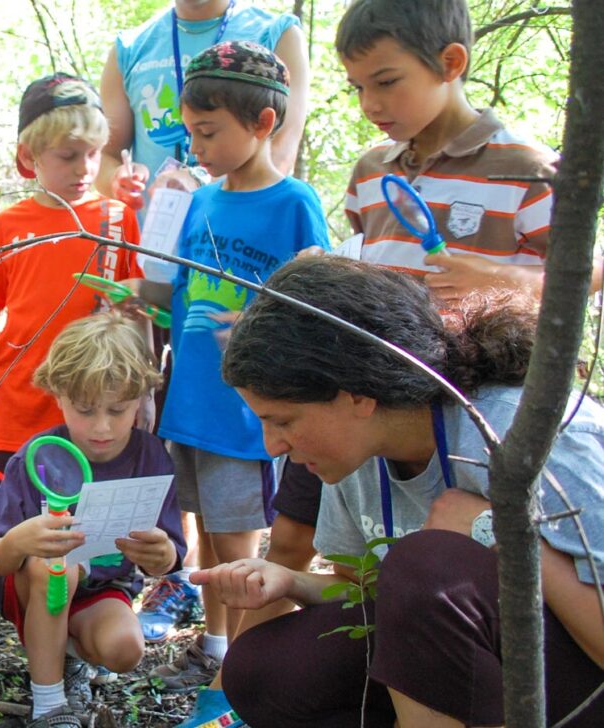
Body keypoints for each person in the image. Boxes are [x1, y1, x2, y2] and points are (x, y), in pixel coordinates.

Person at [200, 255, 604, 727]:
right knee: (264, 670)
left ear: (357, 394)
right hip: (485, 667)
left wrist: (496, 530)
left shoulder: (523, 436)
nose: (274, 446)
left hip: (576, 687)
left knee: (425, 563)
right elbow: (366, 589)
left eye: (283, 421)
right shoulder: (355, 453)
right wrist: (293, 582)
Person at [123, 39, 328, 726]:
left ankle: (239, 685)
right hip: (191, 402)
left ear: (263, 124)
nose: (198, 146)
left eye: (209, 132)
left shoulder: (294, 202)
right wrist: (134, 293)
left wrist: (256, 320)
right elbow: (173, 295)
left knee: (240, 545)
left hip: (248, 413)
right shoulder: (199, 201)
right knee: (207, 532)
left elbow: (317, 298)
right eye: (192, 132)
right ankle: (215, 645)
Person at [0, 72, 142, 691]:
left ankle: (67, 638)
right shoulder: (13, 222)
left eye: (92, 154)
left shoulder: (115, 219)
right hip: (18, 396)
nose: (83, 167)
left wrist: (131, 303)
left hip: (84, 409)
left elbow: (135, 297)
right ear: (29, 156)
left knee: (74, 523)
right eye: (67, 156)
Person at [0, 312, 186, 728]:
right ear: (58, 396)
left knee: (126, 650)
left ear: (141, 399)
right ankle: (49, 704)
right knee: (60, 567)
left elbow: (170, 556)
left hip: (103, 591)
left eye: (117, 409)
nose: (102, 426)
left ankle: (63, 656)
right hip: (31, 585)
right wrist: (22, 541)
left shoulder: (150, 456)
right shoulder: (40, 455)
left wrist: (161, 553)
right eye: (85, 410)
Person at [338, 0, 594, 300]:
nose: (369, 105)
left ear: (450, 63)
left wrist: (502, 281)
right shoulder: (370, 170)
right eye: (358, 87)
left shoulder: (529, 170)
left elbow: (590, 271)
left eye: (386, 82)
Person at [101, 0, 309, 211]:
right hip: (151, 235)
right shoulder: (130, 47)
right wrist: (116, 180)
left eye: (208, 132)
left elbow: (280, 153)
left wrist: (198, 181)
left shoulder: (277, 34)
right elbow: (105, 155)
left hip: (236, 234)